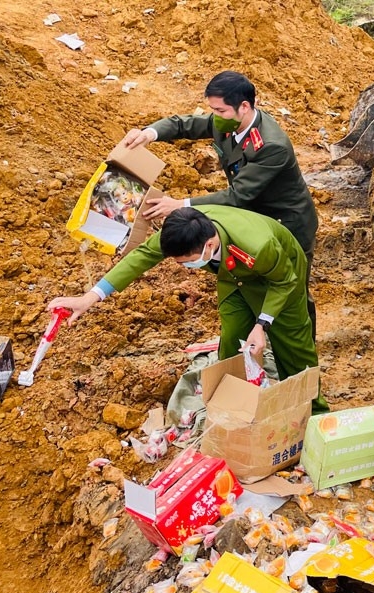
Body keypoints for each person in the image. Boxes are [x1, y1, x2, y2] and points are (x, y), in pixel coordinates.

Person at [48, 206, 328, 413]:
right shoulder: (182, 231)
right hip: (232, 277)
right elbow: (142, 257)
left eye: (186, 262)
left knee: (292, 342)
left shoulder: (259, 245)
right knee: (232, 337)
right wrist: (90, 297)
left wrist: (262, 324)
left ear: (209, 245)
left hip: (279, 275)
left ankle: (314, 410)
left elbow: (284, 281)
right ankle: (233, 402)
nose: (183, 267)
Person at [121, 71, 320, 337]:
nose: (215, 116)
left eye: (221, 110)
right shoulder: (227, 122)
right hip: (252, 218)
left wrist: (180, 204)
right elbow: (184, 125)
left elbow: (237, 196)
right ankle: (259, 337)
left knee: (292, 291)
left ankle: (303, 345)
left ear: (245, 107)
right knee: (251, 281)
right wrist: (149, 134)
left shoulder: (272, 145)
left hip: (288, 221)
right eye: (212, 109)